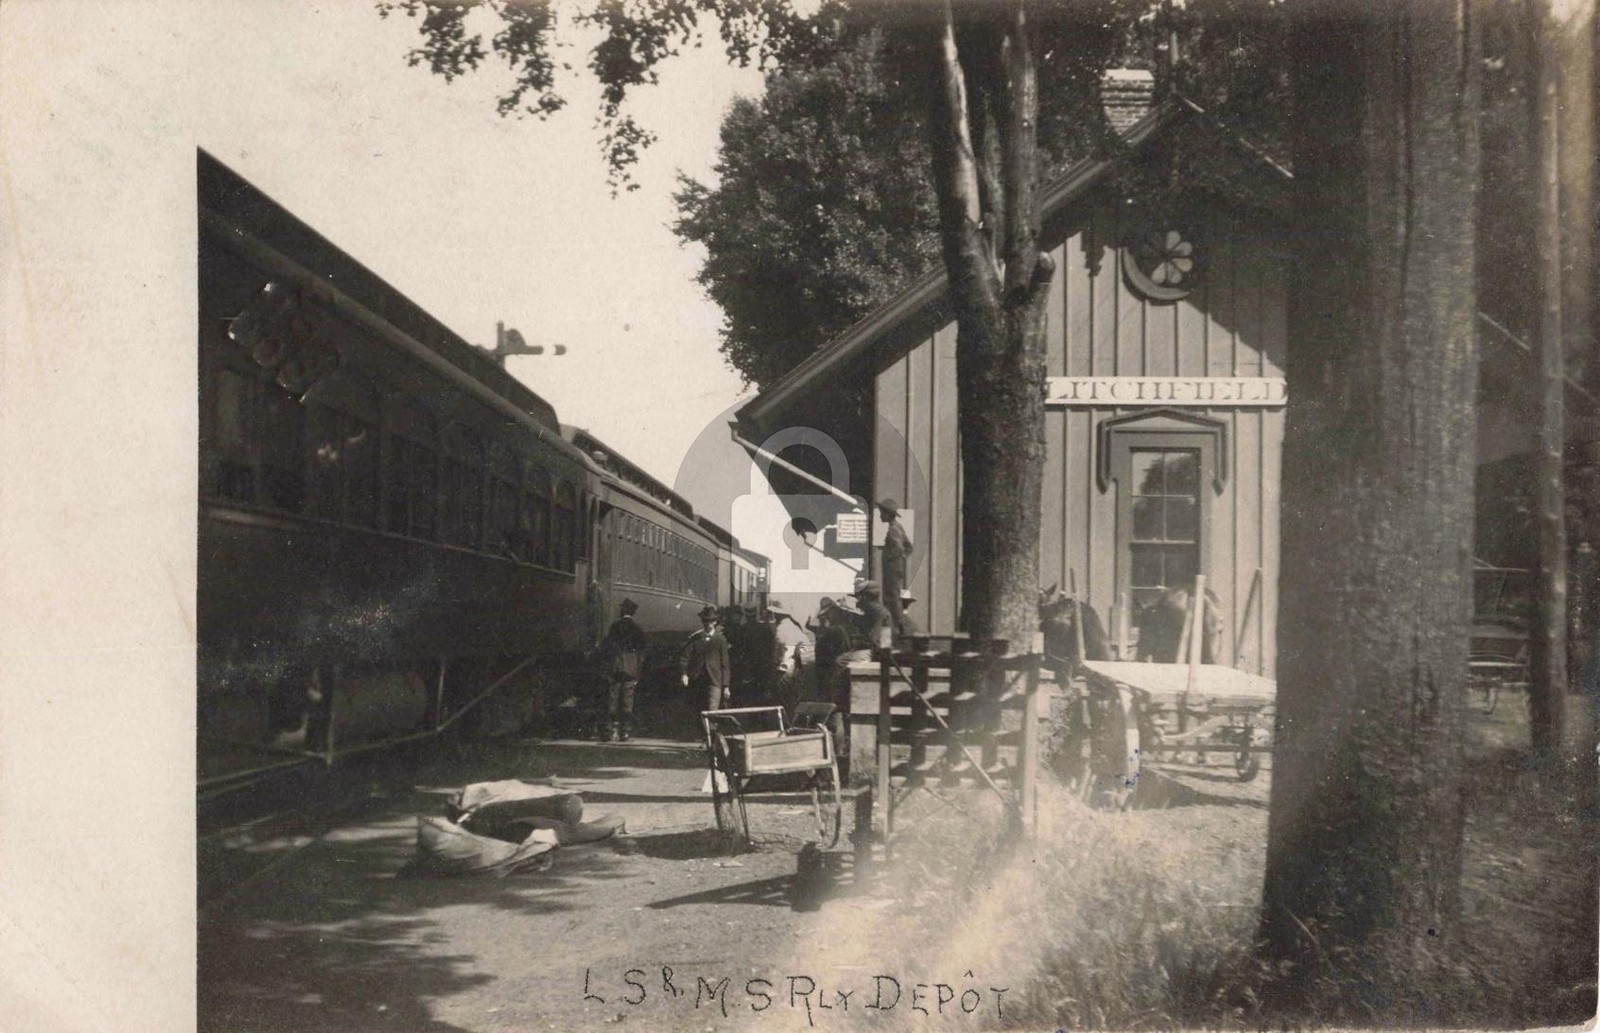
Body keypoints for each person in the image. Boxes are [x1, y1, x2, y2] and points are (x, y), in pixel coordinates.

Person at [596, 598, 647, 742]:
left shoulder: (614, 627)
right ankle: (625, 732)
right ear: (633, 612)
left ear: (622, 611)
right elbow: (642, 652)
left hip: (616, 667)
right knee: (627, 701)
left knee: (612, 699)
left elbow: (607, 647)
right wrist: (637, 668)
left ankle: (609, 731)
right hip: (631, 669)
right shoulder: (637, 629)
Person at [681, 604, 732, 712]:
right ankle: (703, 728)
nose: (707, 624)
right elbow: (685, 657)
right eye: (705, 621)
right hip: (697, 680)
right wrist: (684, 674)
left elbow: (725, 664)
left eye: (710, 621)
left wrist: (726, 685)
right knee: (698, 709)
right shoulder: (695, 638)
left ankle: (712, 728)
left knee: (712, 709)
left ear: (715, 622)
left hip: (715, 680)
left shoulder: (720, 639)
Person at [878, 500, 913, 637]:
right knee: (893, 597)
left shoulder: (893, 529)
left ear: (887, 514)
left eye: (882, 513)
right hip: (895, 568)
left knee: (891, 598)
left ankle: (899, 628)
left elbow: (899, 548)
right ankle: (896, 628)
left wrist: (889, 558)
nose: (880, 516)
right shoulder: (898, 527)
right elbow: (908, 547)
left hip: (892, 569)